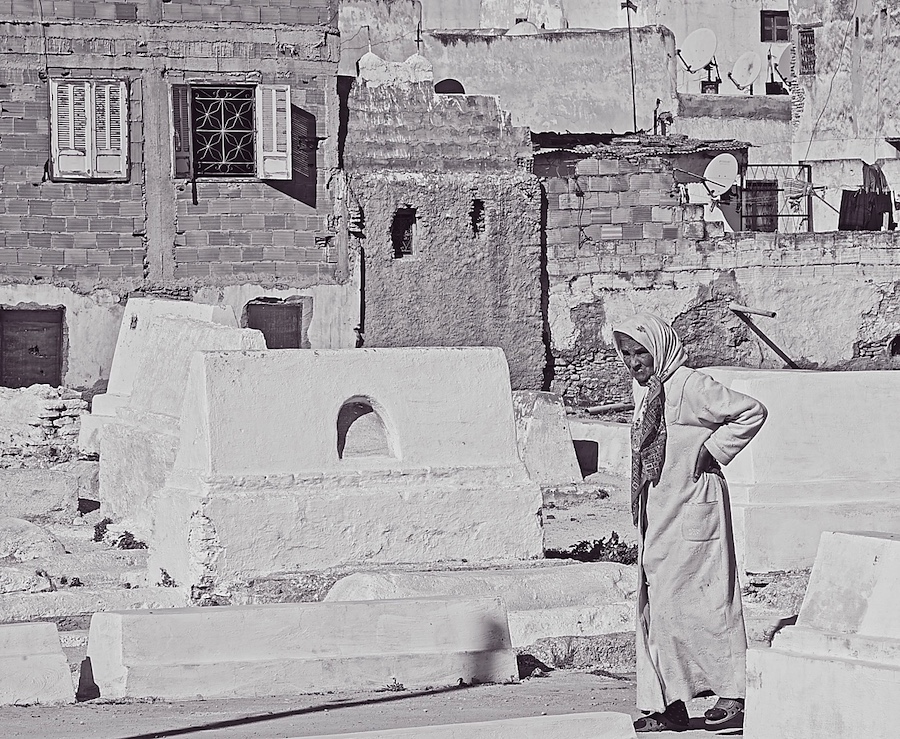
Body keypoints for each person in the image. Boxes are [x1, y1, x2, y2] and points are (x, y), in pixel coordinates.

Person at [613, 313, 767, 733]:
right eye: (626, 353)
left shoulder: (690, 384)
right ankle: (669, 703)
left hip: (697, 508)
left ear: (659, 346)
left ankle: (733, 695)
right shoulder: (648, 390)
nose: (633, 361)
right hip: (661, 513)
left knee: (710, 601)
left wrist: (713, 449)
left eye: (640, 351)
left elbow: (751, 412)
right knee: (660, 607)